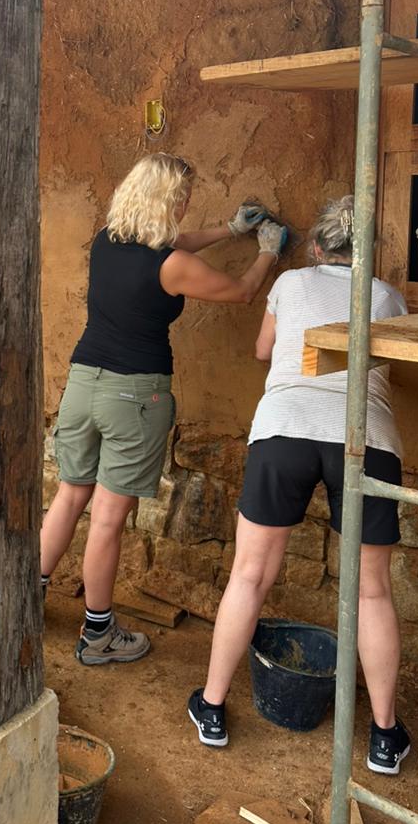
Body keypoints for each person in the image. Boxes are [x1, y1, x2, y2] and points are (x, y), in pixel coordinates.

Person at [188, 196, 411, 775]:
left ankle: (211, 706)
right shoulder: (386, 295)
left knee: (250, 574)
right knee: (372, 592)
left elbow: (264, 350)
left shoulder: (290, 282)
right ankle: (385, 737)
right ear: (368, 252)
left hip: (285, 428)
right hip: (364, 437)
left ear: (316, 248)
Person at [40, 152, 285, 666]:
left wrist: (227, 230)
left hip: (83, 384)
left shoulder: (107, 239)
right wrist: (267, 251)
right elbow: (241, 293)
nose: (186, 206)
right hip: (133, 393)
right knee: (108, 519)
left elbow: (171, 243)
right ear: (168, 200)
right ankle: (98, 634)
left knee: (69, 496)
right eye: (183, 199)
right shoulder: (171, 267)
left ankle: (24, 601)